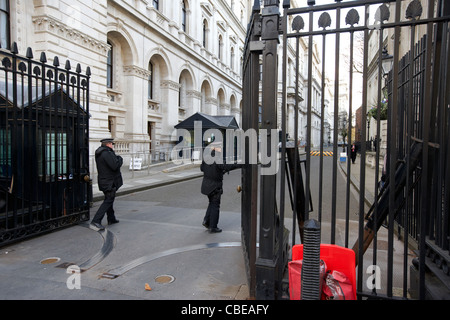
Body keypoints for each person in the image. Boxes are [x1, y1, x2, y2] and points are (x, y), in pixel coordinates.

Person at [201, 144, 240, 233]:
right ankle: (213, 227)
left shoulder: (206, 158)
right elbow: (226, 166)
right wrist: (239, 164)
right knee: (215, 205)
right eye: (220, 148)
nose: (221, 149)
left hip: (206, 185)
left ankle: (206, 221)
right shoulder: (218, 159)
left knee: (211, 203)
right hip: (215, 186)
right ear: (216, 149)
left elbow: (202, 168)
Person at [90, 138, 123, 231]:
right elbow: (115, 165)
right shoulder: (106, 153)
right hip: (109, 181)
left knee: (109, 199)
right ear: (108, 144)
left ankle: (111, 218)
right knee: (108, 200)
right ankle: (96, 221)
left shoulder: (100, 153)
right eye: (112, 144)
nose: (112, 145)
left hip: (105, 180)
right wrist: (120, 159)